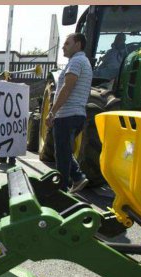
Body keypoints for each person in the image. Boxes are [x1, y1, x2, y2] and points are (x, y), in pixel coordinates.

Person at [47, 32, 93, 193]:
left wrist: (52, 112)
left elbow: (67, 88)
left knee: (62, 155)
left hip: (67, 115)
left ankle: (61, 191)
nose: (63, 47)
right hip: (77, 114)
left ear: (78, 44)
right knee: (64, 150)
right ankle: (78, 177)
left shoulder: (76, 61)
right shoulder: (84, 61)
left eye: (67, 43)